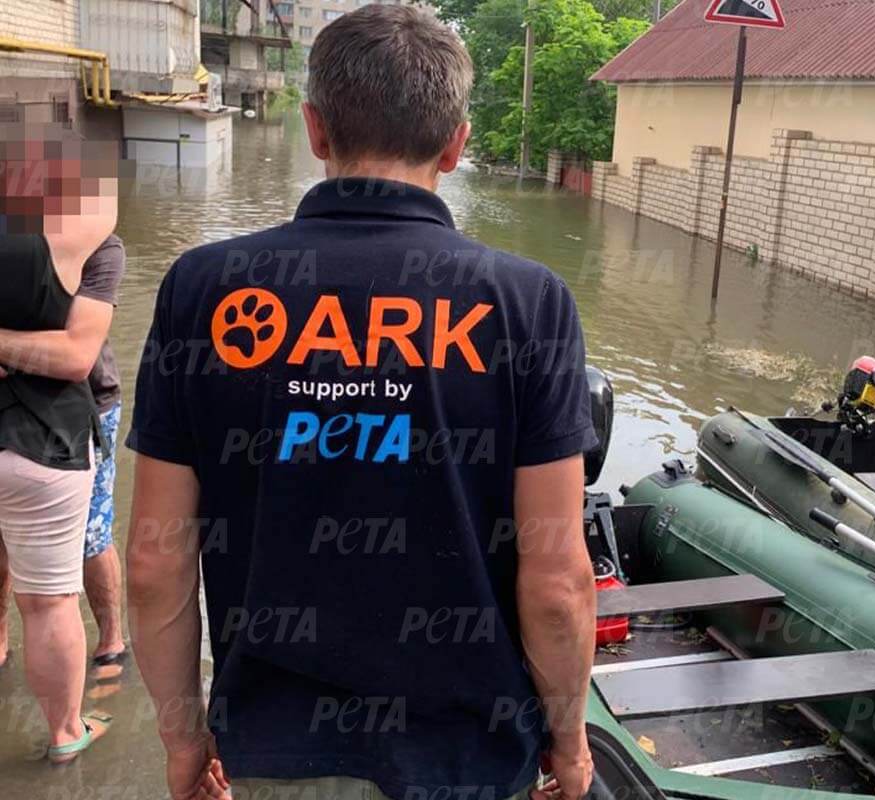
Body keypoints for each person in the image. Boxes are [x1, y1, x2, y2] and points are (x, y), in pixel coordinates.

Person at [126, 5, 598, 800]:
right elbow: (557, 582)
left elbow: (153, 562)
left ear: (314, 130)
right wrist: (570, 739)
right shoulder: (527, 302)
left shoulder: (203, 289)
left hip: (272, 753)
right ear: (457, 143)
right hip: (468, 761)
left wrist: (181, 737)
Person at [0, 119, 118, 762]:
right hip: (45, 440)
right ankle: (66, 732)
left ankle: (109, 642)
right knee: (49, 604)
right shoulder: (85, 241)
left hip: (48, 433)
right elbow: (75, 356)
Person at [0, 235, 128, 669]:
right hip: (15, 405)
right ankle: (0, 639)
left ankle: (111, 641)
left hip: (84, 404)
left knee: (93, 535)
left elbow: (76, 354)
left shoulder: (96, 243)